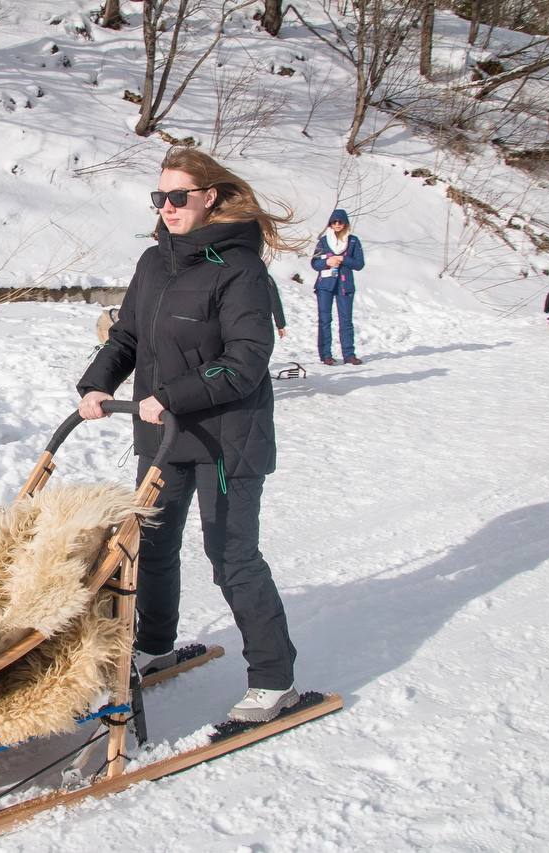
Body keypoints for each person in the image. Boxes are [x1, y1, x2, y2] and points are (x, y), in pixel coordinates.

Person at [77, 148, 301, 723]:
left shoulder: (241, 269)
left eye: (179, 197)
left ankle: (274, 680)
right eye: (160, 198)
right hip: (163, 435)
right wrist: (96, 385)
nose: (168, 207)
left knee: (231, 555)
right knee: (150, 545)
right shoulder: (154, 263)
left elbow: (246, 359)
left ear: (210, 197)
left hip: (226, 438)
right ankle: (154, 646)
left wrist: (171, 395)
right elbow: (127, 337)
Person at [310, 209, 365, 365]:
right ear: (330, 224)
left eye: (340, 222)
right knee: (324, 320)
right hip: (325, 285)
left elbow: (359, 264)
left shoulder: (353, 241)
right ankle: (325, 355)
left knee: (346, 320)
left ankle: (349, 354)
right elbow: (314, 263)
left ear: (345, 223)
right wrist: (327, 262)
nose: (337, 224)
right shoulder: (323, 241)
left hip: (344, 285)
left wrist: (344, 259)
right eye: (334, 222)